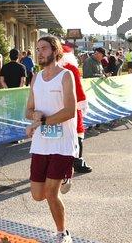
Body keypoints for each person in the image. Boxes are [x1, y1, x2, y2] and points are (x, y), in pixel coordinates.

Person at [25, 36, 77, 243]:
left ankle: (62, 232)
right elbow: (28, 110)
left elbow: (70, 111)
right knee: (38, 195)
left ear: (55, 51)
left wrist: (42, 121)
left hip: (62, 143)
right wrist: (34, 115)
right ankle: (66, 174)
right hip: (41, 144)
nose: (39, 52)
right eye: (37, 49)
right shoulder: (35, 78)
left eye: (44, 48)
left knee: (51, 192)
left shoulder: (66, 75)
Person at [59, 44, 92, 174]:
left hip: (55, 108)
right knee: (77, 132)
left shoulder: (48, 69)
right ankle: (77, 162)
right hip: (72, 106)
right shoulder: (71, 68)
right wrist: (82, 103)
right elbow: (77, 88)